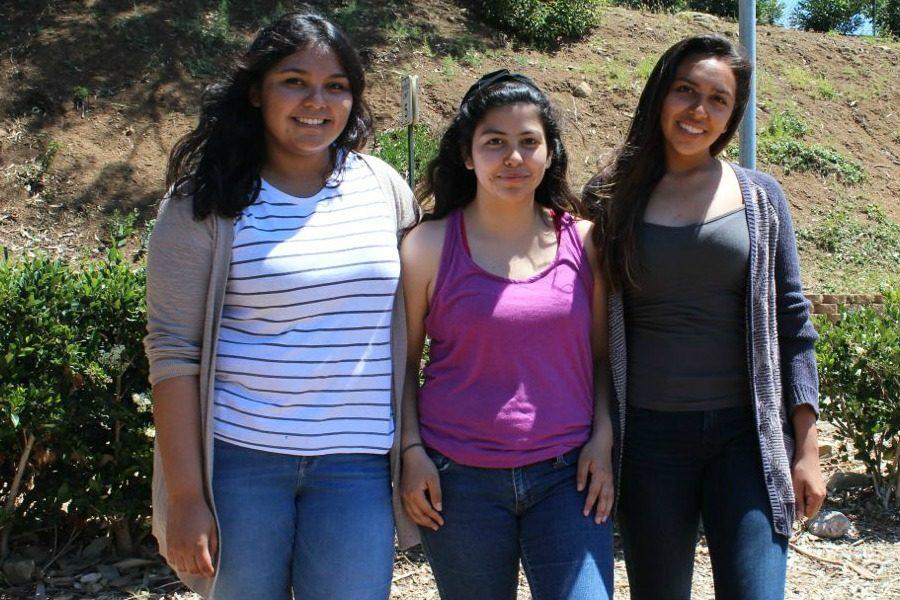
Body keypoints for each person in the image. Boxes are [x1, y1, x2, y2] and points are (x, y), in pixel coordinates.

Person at [143, 13, 419, 600]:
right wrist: (189, 498)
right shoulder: (204, 204)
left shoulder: (384, 189)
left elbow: (415, 332)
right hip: (242, 462)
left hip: (357, 464)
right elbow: (173, 353)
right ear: (256, 92)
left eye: (336, 85)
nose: (316, 101)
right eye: (294, 81)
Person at [585, 34, 827, 599]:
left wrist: (807, 448)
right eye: (685, 91)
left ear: (732, 118)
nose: (699, 110)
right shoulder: (611, 198)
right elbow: (590, 333)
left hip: (745, 439)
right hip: (647, 441)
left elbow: (794, 324)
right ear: (659, 97)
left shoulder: (761, 199)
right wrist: (599, 433)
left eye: (718, 100)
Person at [399, 70, 615, 600]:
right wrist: (410, 452)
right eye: (494, 142)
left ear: (549, 154)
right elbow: (400, 365)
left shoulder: (585, 243)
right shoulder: (427, 247)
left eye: (528, 142)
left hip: (569, 477)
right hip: (457, 480)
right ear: (468, 156)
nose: (512, 157)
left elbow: (605, 357)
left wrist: (604, 439)